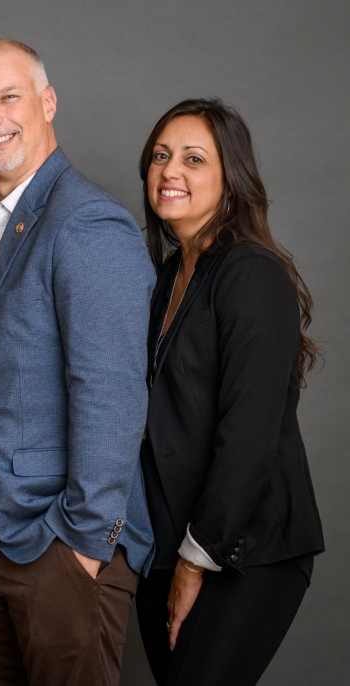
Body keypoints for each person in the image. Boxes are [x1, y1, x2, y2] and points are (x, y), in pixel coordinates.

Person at [0, 38, 157, 686]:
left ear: (47, 102)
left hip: (59, 547)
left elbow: (111, 395)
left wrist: (82, 548)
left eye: (9, 97)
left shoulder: (87, 223)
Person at [135, 98, 325, 686]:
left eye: (194, 159)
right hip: (168, 547)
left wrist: (196, 561)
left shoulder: (250, 272)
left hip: (244, 550)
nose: (171, 172)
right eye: (161, 156)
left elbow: (249, 432)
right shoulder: (168, 276)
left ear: (230, 179)